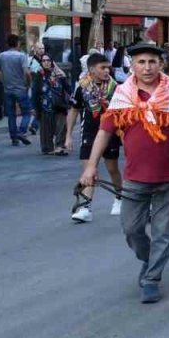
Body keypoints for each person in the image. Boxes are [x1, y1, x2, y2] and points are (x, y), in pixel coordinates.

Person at [79, 41, 169, 303]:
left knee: (163, 233)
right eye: (141, 62)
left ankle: (151, 279)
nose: (147, 67)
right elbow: (104, 131)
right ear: (132, 66)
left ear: (161, 64)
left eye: (152, 62)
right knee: (131, 229)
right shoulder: (123, 96)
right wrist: (91, 167)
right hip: (135, 178)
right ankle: (149, 261)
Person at [66, 53, 123, 221]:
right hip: (89, 133)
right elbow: (74, 110)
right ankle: (85, 207)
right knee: (89, 169)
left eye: (108, 67)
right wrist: (68, 135)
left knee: (112, 168)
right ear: (91, 70)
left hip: (110, 133)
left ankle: (119, 197)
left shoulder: (116, 88)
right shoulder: (82, 87)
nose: (107, 71)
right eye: (102, 68)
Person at [0, 34, 33, 146]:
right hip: (21, 88)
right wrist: (28, 84)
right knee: (27, 112)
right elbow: (27, 72)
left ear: (7, 44)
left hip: (8, 89)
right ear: (18, 43)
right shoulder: (21, 56)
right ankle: (22, 131)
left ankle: (14, 138)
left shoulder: (2, 55)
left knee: (11, 114)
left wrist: (3, 81)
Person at [31, 53, 71, 155]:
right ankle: (48, 148)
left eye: (48, 60)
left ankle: (59, 146)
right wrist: (34, 108)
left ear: (52, 61)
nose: (46, 62)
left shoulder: (59, 74)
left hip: (59, 105)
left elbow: (68, 88)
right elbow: (35, 92)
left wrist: (71, 99)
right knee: (46, 130)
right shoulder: (39, 75)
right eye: (43, 61)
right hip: (45, 107)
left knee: (61, 127)